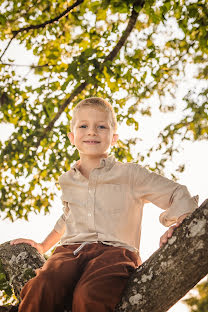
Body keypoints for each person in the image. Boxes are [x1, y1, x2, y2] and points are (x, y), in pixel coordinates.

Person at [11, 97, 198, 312]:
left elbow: (176, 192)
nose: (92, 131)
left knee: (89, 295)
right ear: (72, 137)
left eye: (101, 126)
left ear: (114, 137)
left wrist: (182, 221)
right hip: (69, 252)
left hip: (115, 253)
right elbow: (68, 217)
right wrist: (43, 246)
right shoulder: (67, 180)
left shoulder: (130, 174)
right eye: (83, 126)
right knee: (42, 286)